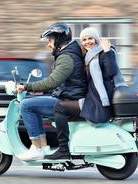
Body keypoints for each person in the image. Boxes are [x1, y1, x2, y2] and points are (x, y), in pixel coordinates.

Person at [44, 27, 126, 160]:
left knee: (59, 107)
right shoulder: (89, 55)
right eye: (84, 39)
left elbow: (112, 72)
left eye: (90, 38)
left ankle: (63, 149)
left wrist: (107, 51)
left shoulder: (103, 52)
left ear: (96, 39)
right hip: (93, 96)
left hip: (99, 100)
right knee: (64, 106)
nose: (87, 42)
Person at [16, 23, 87, 161]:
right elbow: (61, 82)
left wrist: (26, 87)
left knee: (26, 105)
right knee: (32, 104)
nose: (49, 44)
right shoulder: (69, 54)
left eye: (50, 40)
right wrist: (40, 90)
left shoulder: (66, 58)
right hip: (68, 96)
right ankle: (43, 147)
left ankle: (37, 148)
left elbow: (53, 81)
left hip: (67, 100)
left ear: (59, 40)